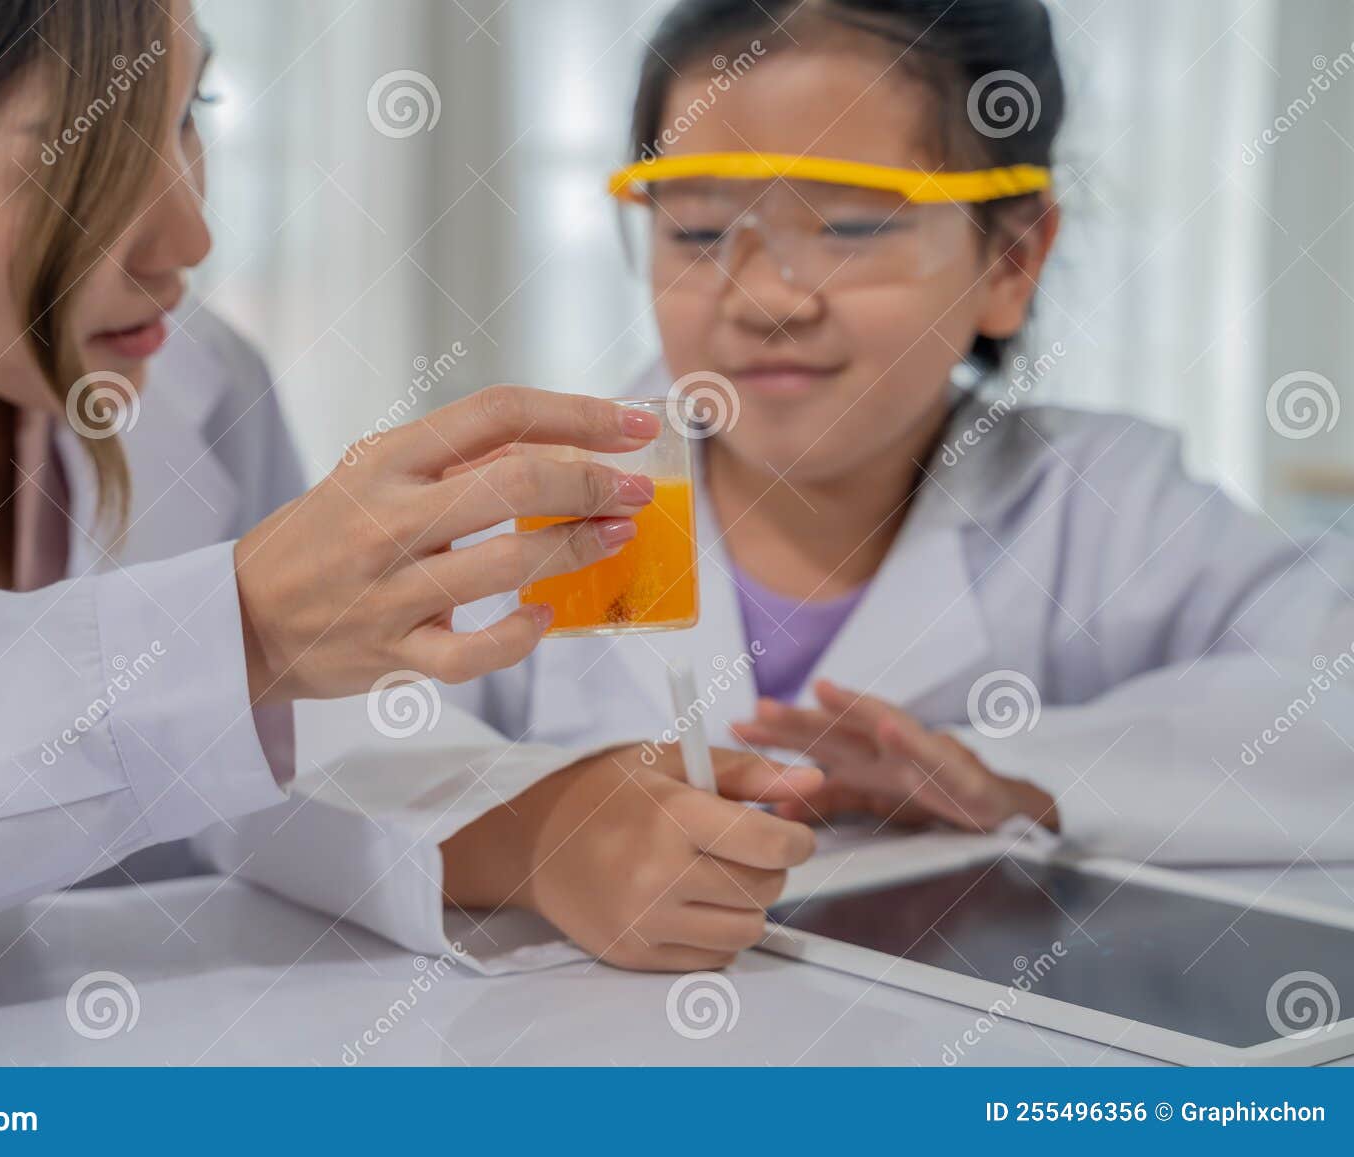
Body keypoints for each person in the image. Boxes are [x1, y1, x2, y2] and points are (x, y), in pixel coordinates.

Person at [207, 0, 1354, 975]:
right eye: (700, 232)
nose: (767, 296)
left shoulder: (1106, 503)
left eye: (849, 228)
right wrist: (537, 835)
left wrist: (1031, 781)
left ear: (1011, 261)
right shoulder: (546, 492)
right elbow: (275, 759)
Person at [0, 0, 767, 990]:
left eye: (189, 115)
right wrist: (239, 632)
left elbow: (283, 747)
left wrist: (542, 826)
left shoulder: (199, 380)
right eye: (81, 155)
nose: (188, 236)